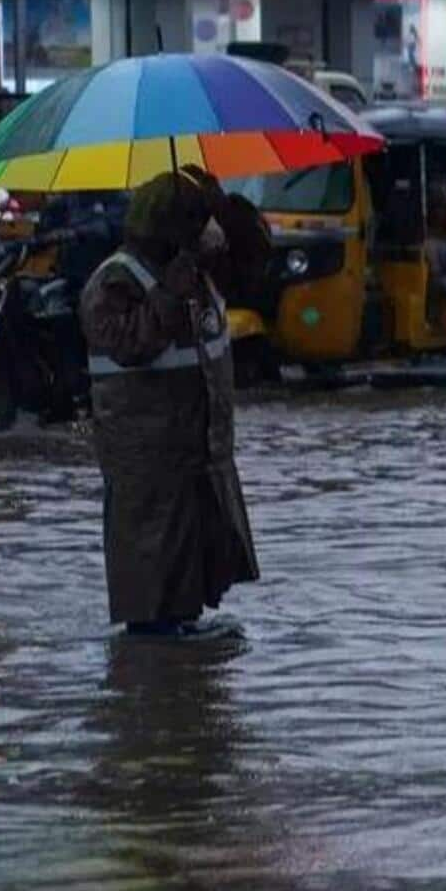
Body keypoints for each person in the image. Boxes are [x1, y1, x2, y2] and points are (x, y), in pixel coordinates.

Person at [79, 167, 271, 639]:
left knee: (192, 548)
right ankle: (152, 639)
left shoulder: (198, 270)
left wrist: (227, 210)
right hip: (146, 450)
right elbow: (127, 342)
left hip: (194, 444)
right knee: (151, 552)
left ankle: (179, 629)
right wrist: (169, 293)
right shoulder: (116, 278)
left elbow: (254, 266)